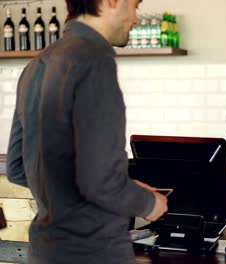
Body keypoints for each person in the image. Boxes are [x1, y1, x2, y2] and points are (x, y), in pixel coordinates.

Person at [6, 0, 168, 263]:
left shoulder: (36, 65)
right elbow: (100, 182)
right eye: (135, 6)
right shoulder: (94, 59)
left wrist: (117, 185)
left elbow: (17, 167)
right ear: (112, 2)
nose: (136, 19)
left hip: (45, 252)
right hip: (94, 250)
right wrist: (147, 203)